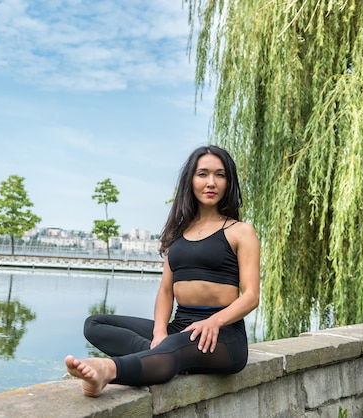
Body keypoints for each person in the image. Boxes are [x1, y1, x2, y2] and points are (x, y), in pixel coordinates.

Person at [65, 145, 260, 397]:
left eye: (220, 175)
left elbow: (251, 296)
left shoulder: (241, 231)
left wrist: (214, 321)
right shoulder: (178, 234)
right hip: (180, 326)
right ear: (190, 179)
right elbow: (166, 291)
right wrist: (159, 332)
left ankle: (108, 370)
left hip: (222, 334)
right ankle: (163, 353)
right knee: (95, 323)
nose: (211, 182)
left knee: (176, 345)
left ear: (228, 181)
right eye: (202, 174)